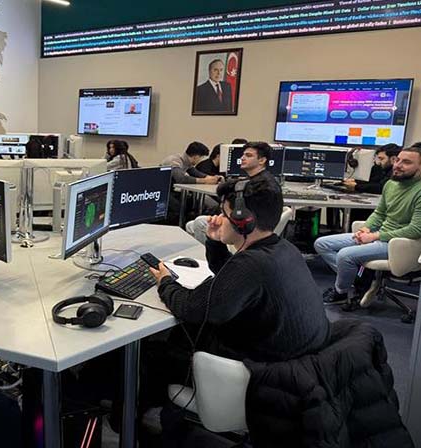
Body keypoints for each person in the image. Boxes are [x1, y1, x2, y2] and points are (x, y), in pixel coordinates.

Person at [142, 178, 329, 437]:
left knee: (151, 353)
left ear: (244, 222)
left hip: (253, 379)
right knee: (179, 336)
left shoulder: (250, 265)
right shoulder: (282, 249)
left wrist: (165, 282)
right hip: (292, 370)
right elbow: (231, 279)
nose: (218, 218)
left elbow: (191, 309)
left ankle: (131, 425)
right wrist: (215, 241)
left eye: (224, 213)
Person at [314, 146, 421, 306]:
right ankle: (360, 278)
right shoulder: (391, 184)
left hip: (400, 244)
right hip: (381, 235)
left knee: (345, 256)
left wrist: (374, 236)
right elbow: (380, 213)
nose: (398, 165)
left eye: (406, 162)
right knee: (322, 244)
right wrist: (367, 228)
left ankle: (340, 292)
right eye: (398, 160)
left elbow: (415, 230)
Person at [185, 142, 279, 243]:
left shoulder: (257, 187)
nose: (242, 158)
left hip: (247, 228)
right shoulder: (264, 180)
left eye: (248, 155)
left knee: (199, 222)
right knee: (190, 225)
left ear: (262, 160)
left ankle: (210, 251)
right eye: (243, 155)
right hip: (253, 225)